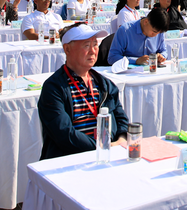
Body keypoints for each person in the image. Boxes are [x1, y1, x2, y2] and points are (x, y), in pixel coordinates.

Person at [38, 24, 129, 160]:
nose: (93, 51)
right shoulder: (54, 88)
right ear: (67, 49)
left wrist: (121, 139)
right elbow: (64, 134)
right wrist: (102, 147)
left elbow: (121, 118)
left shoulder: (104, 84)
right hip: (69, 160)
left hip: (108, 155)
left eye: (95, 45)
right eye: (86, 45)